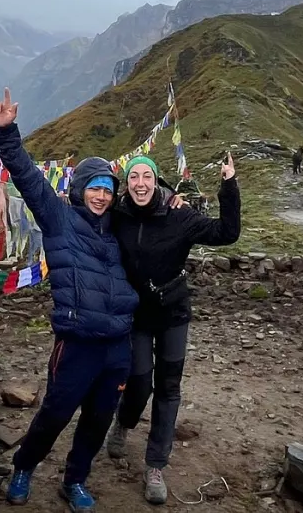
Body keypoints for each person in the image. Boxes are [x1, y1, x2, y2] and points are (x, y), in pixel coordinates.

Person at [0, 89, 138, 511]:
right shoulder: (59, 219)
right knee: (56, 411)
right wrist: (6, 134)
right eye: (95, 188)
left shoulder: (118, 227)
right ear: (80, 189)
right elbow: (29, 179)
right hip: (77, 342)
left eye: (108, 190)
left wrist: (170, 201)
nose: (102, 196)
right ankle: (24, 465)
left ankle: (76, 480)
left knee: (97, 418)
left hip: (117, 346)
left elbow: (152, 222)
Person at [107, 153, 242, 505]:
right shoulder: (117, 215)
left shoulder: (179, 214)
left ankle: (155, 466)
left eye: (146, 177)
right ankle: (123, 421)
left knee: (168, 387)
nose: (140, 183)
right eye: (133, 177)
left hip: (173, 314)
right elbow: (85, 209)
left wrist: (228, 185)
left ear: (156, 180)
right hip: (135, 315)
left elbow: (227, 233)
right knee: (138, 382)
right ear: (127, 183)